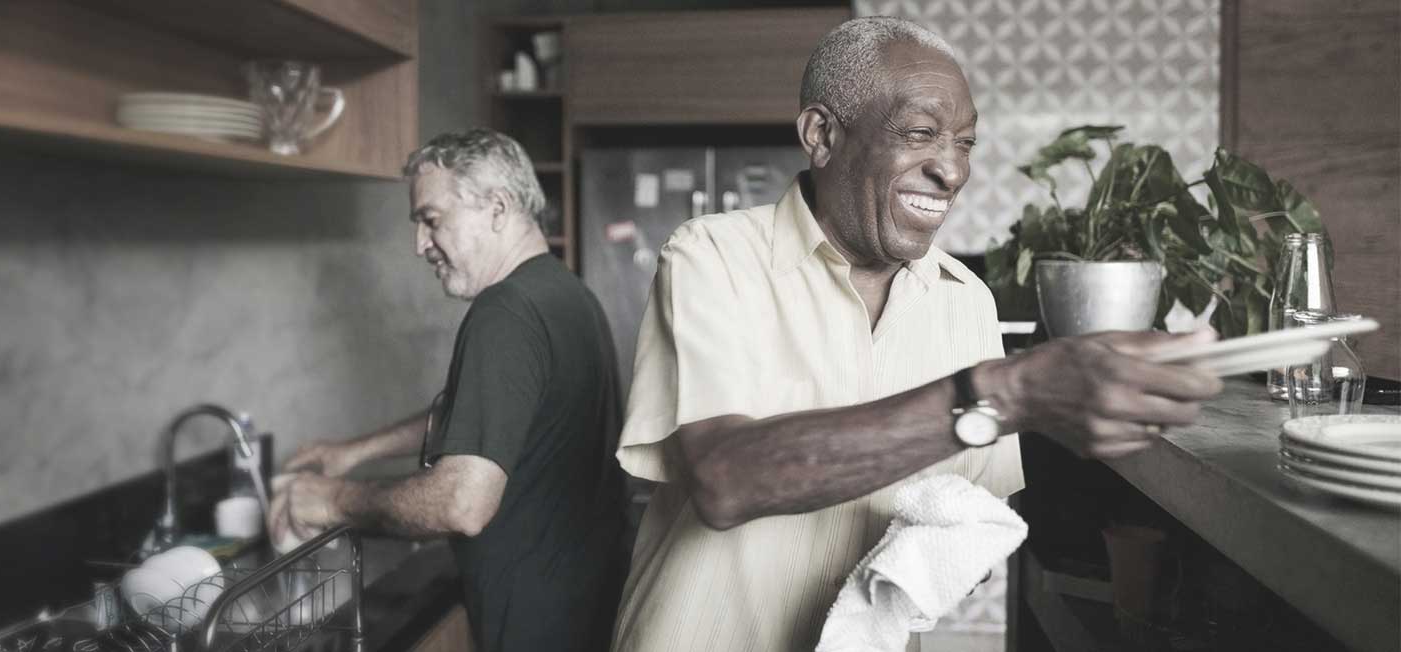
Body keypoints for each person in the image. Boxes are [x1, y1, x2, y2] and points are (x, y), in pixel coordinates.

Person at [608, 17, 1224, 652]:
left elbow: (975, 532)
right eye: (921, 134)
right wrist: (1002, 393)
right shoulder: (712, 257)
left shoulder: (966, 303)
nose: (952, 171)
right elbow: (723, 479)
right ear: (823, 135)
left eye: (964, 143)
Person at [268, 128, 630, 652]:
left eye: (431, 221)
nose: (419, 246)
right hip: (587, 606)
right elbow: (484, 412)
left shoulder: (504, 313)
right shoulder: (563, 292)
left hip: (536, 625)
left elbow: (462, 502)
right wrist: (352, 453)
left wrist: (331, 500)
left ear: (498, 208)